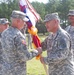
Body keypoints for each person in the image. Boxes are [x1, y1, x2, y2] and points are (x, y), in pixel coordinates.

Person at [1, 10, 42, 75]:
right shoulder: (18, 36)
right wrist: (37, 51)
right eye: (23, 21)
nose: (24, 23)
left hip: (4, 71)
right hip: (16, 71)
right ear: (18, 21)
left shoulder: (4, 33)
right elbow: (25, 57)